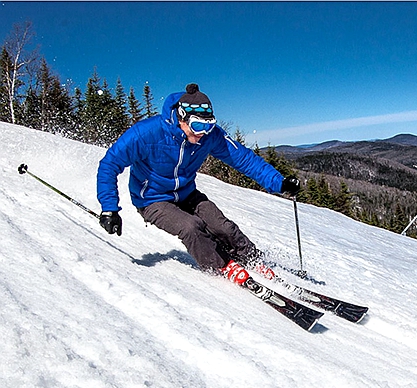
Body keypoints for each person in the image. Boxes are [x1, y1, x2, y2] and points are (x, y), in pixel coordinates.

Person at [97, 83, 300, 284]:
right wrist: (109, 209)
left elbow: (244, 159)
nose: (203, 132)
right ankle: (221, 265)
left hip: (186, 193)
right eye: (198, 126)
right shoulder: (146, 133)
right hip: (152, 199)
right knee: (191, 227)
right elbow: (109, 164)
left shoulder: (209, 137)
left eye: (209, 125)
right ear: (181, 117)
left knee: (222, 226)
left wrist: (279, 184)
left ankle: (252, 258)